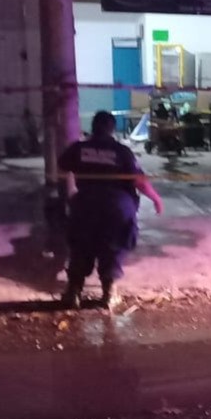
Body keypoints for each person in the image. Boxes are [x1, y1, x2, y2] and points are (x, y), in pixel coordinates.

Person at [58, 111, 163, 309]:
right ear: (112, 129)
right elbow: (138, 180)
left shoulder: (78, 149)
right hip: (116, 208)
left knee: (81, 247)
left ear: (94, 127)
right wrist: (156, 198)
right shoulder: (121, 152)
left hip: (85, 206)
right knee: (113, 248)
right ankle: (109, 294)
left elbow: (62, 166)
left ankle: (73, 292)